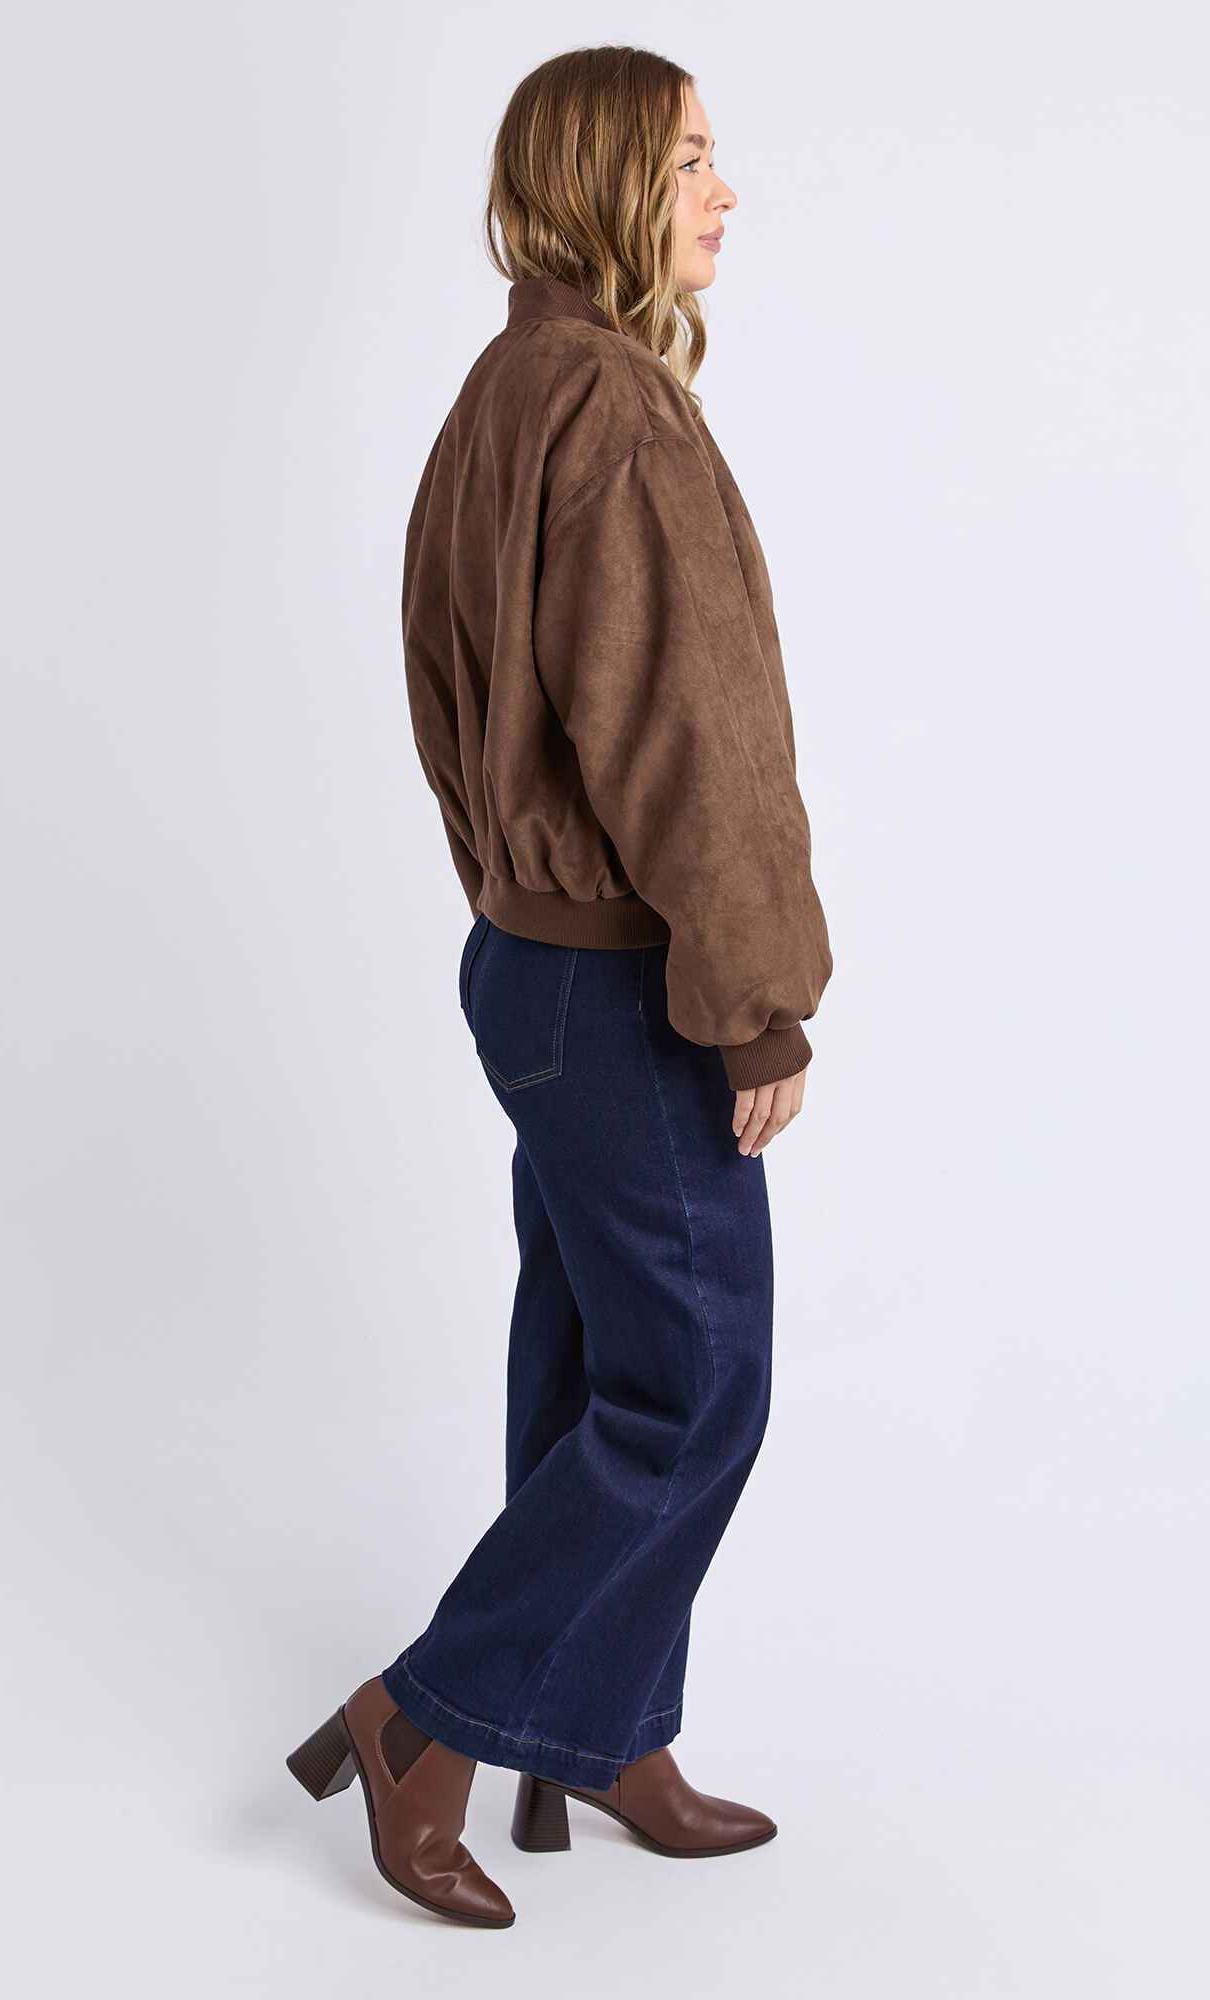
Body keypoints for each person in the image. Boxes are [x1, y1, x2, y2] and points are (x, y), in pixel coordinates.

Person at [287, 45, 833, 1928]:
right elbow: (693, 740)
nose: (723, 191)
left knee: (598, 1361)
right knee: (693, 1387)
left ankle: (592, 1735)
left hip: (534, 966)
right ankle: (420, 1721)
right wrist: (754, 1002)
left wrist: (514, 899)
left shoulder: (503, 389)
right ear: (606, 181)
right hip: (627, 981)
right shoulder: (612, 407)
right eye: (691, 161)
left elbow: (449, 696)